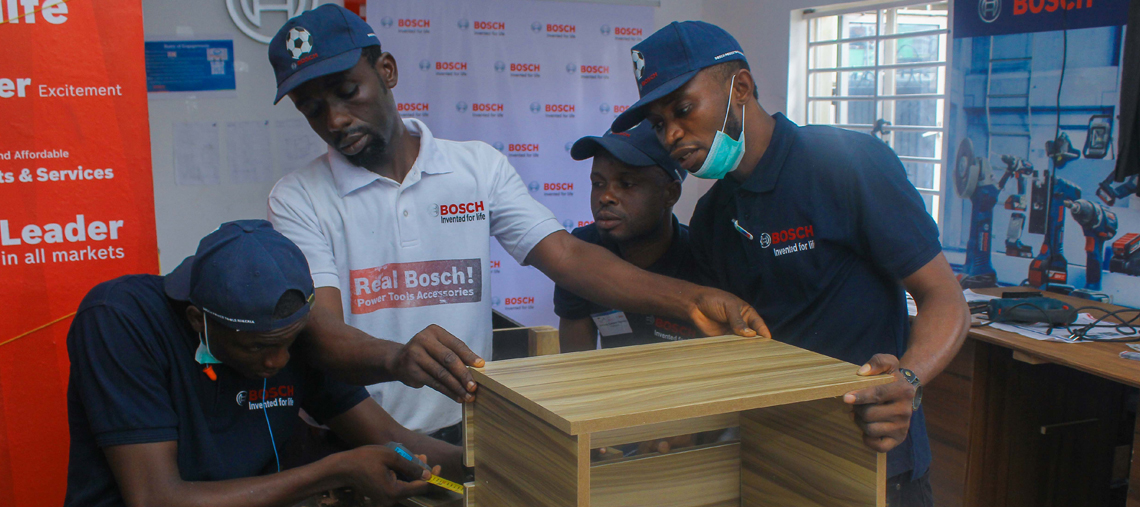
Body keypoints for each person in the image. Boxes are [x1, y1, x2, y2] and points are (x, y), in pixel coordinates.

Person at [265, 5, 769, 442]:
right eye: (313, 109)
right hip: (362, 440)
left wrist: (690, 300)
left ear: (387, 71)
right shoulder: (298, 198)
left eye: (348, 91)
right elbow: (322, 332)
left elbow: (567, 256)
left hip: (472, 428)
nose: (335, 120)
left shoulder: (475, 168)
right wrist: (397, 358)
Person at [611, 21, 970, 505]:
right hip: (773, 466)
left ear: (740, 88)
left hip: (872, 463)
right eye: (658, 124)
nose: (671, 134)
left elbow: (944, 297)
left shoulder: (846, 163)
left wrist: (907, 380)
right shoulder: (713, 217)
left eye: (683, 109)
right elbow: (732, 349)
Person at [64, 220, 462, 507]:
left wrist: (483, 461)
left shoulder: (286, 333)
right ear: (197, 320)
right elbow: (155, 498)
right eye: (256, 347)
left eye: (290, 342)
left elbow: (392, 439)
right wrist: (335, 470)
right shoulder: (121, 321)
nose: (278, 360)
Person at [556, 121, 702, 352]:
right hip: (611, 376)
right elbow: (575, 363)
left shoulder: (705, 257)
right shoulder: (581, 251)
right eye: (598, 183)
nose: (605, 197)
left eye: (626, 184)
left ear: (670, 194)